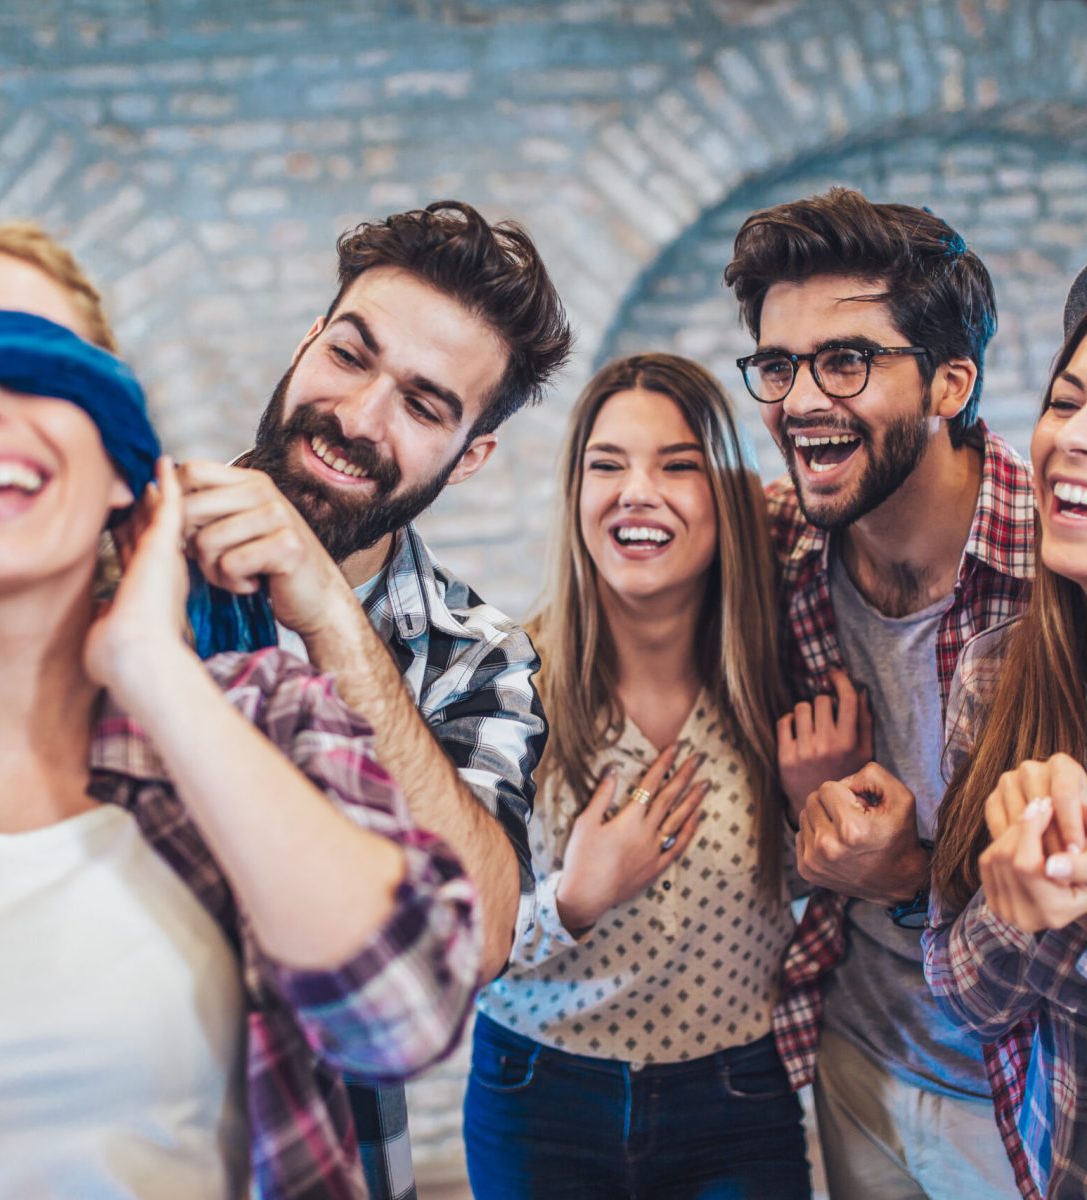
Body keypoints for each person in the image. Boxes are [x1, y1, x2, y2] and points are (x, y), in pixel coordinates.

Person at [0, 215, 478, 1200]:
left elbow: (404, 1012)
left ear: (125, 459)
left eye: (31, 371)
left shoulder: (270, 716)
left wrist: (153, 667)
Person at [177, 200, 573, 1198]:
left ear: (472, 453)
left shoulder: (479, 660)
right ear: (309, 339)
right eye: (350, 355)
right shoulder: (117, 557)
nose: (356, 417)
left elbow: (481, 935)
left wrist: (331, 621)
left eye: (425, 405)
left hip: (325, 1159)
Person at [723, 187, 1032, 1199]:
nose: (800, 400)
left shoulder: (1058, 574)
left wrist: (904, 878)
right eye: (778, 365)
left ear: (950, 383)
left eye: (847, 360)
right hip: (857, 1064)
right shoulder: (780, 550)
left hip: (1033, 1089)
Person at [463, 353, 808, 1198]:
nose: (637, 492)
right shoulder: (501, 690)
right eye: (606, 465)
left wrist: (816, 808)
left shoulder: (788, 684)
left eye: (677, 465)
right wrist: (573, 900)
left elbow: (818, 906)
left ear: (728, 497)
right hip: (537, 1097)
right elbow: (449, 944)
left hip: (736, 1095)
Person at [922, 309, 1087, 1200]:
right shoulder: (997, 668)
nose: (1075, 438)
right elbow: (959, 993)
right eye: (1067, 401)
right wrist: (1015, 911)